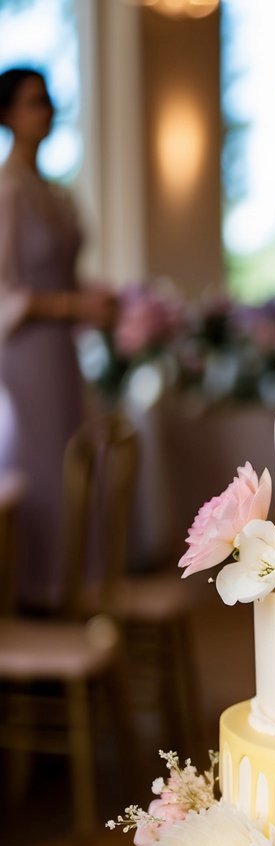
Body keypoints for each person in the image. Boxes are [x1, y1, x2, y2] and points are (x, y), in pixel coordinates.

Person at [0, 67, 116, 609]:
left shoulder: (56, 193)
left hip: (63, 355)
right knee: (40, 469)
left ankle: (71, 591)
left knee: (73, 465)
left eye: (47, 101)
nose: (43, 110)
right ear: (6, 113)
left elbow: (66, 280)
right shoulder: (6, 193)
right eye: (31, 102)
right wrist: (72, 305)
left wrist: (100, 306)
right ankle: (33, 597)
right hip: (24, 357)